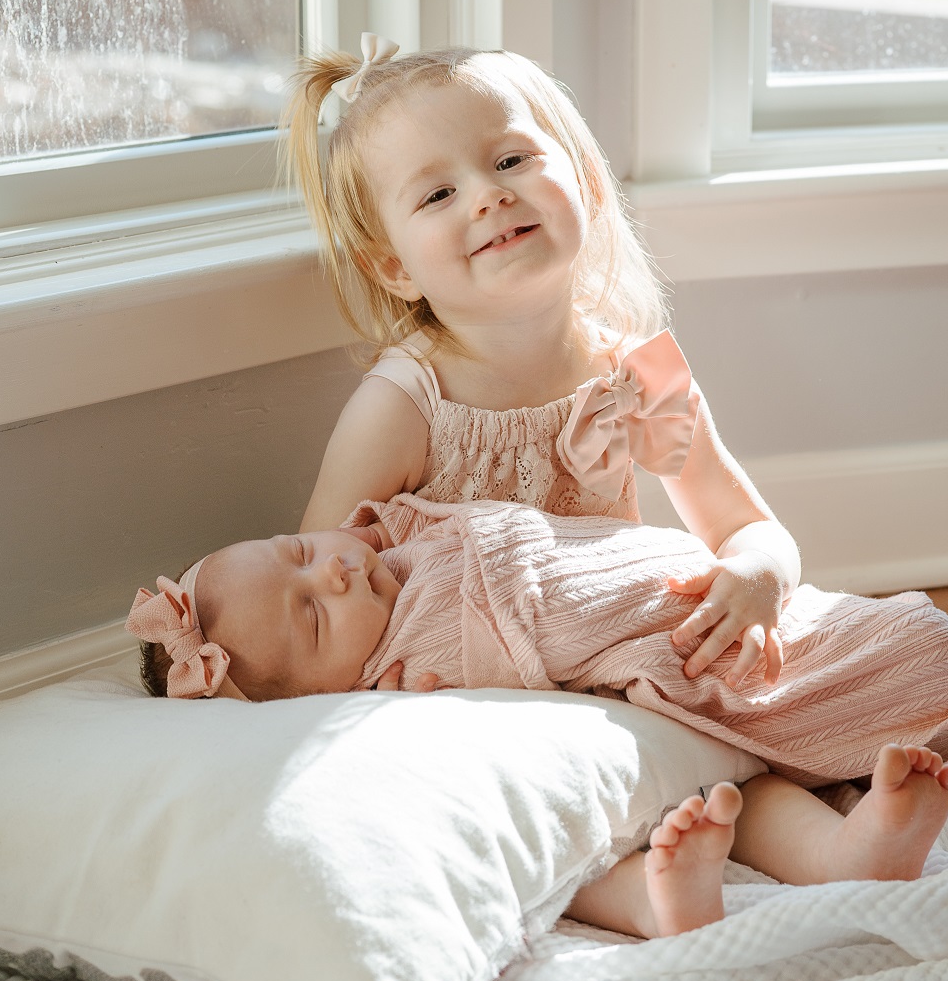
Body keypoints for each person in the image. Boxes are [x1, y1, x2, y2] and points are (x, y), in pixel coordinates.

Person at [124, 498, 948, 942]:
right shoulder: (396, 684)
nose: (337, 575)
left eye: (302, 554)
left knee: (765, 745)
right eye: (313, 618)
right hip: (645, 713)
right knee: (683, 801)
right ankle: (842, 856)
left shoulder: (401, 532)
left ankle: (841, 845)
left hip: (671, 623)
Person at [287, 38, 795, 688]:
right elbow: (310, 579)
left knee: (767, 709)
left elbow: (747, 526)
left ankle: (870, 793)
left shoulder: (636, 375)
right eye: (438, 194)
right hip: (468, 690)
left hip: (615, 665)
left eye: (510, 159)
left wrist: (760, 574)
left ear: (584, 184)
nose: (487, 196)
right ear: (393, 266)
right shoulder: (405, 404)